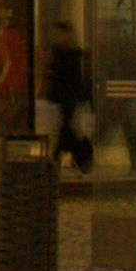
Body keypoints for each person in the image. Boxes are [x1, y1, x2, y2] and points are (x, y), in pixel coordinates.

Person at [42, 29, 97, 172]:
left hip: (67, 98)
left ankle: (60, 160)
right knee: (67, 130)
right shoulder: (64, 53)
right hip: (65, 98)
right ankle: (79, 160)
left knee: (66, 130)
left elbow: (75, 78)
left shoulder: (69, 54)